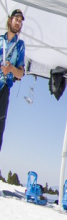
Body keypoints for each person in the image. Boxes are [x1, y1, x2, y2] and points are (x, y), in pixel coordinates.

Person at [1, 9, 26, 153]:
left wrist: (11, 69)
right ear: (10, 20)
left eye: (21, 21)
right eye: (17, 19)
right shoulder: (0, 40)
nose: (19, 23)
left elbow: (21, 73)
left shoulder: (20, 45)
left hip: (4, 88)